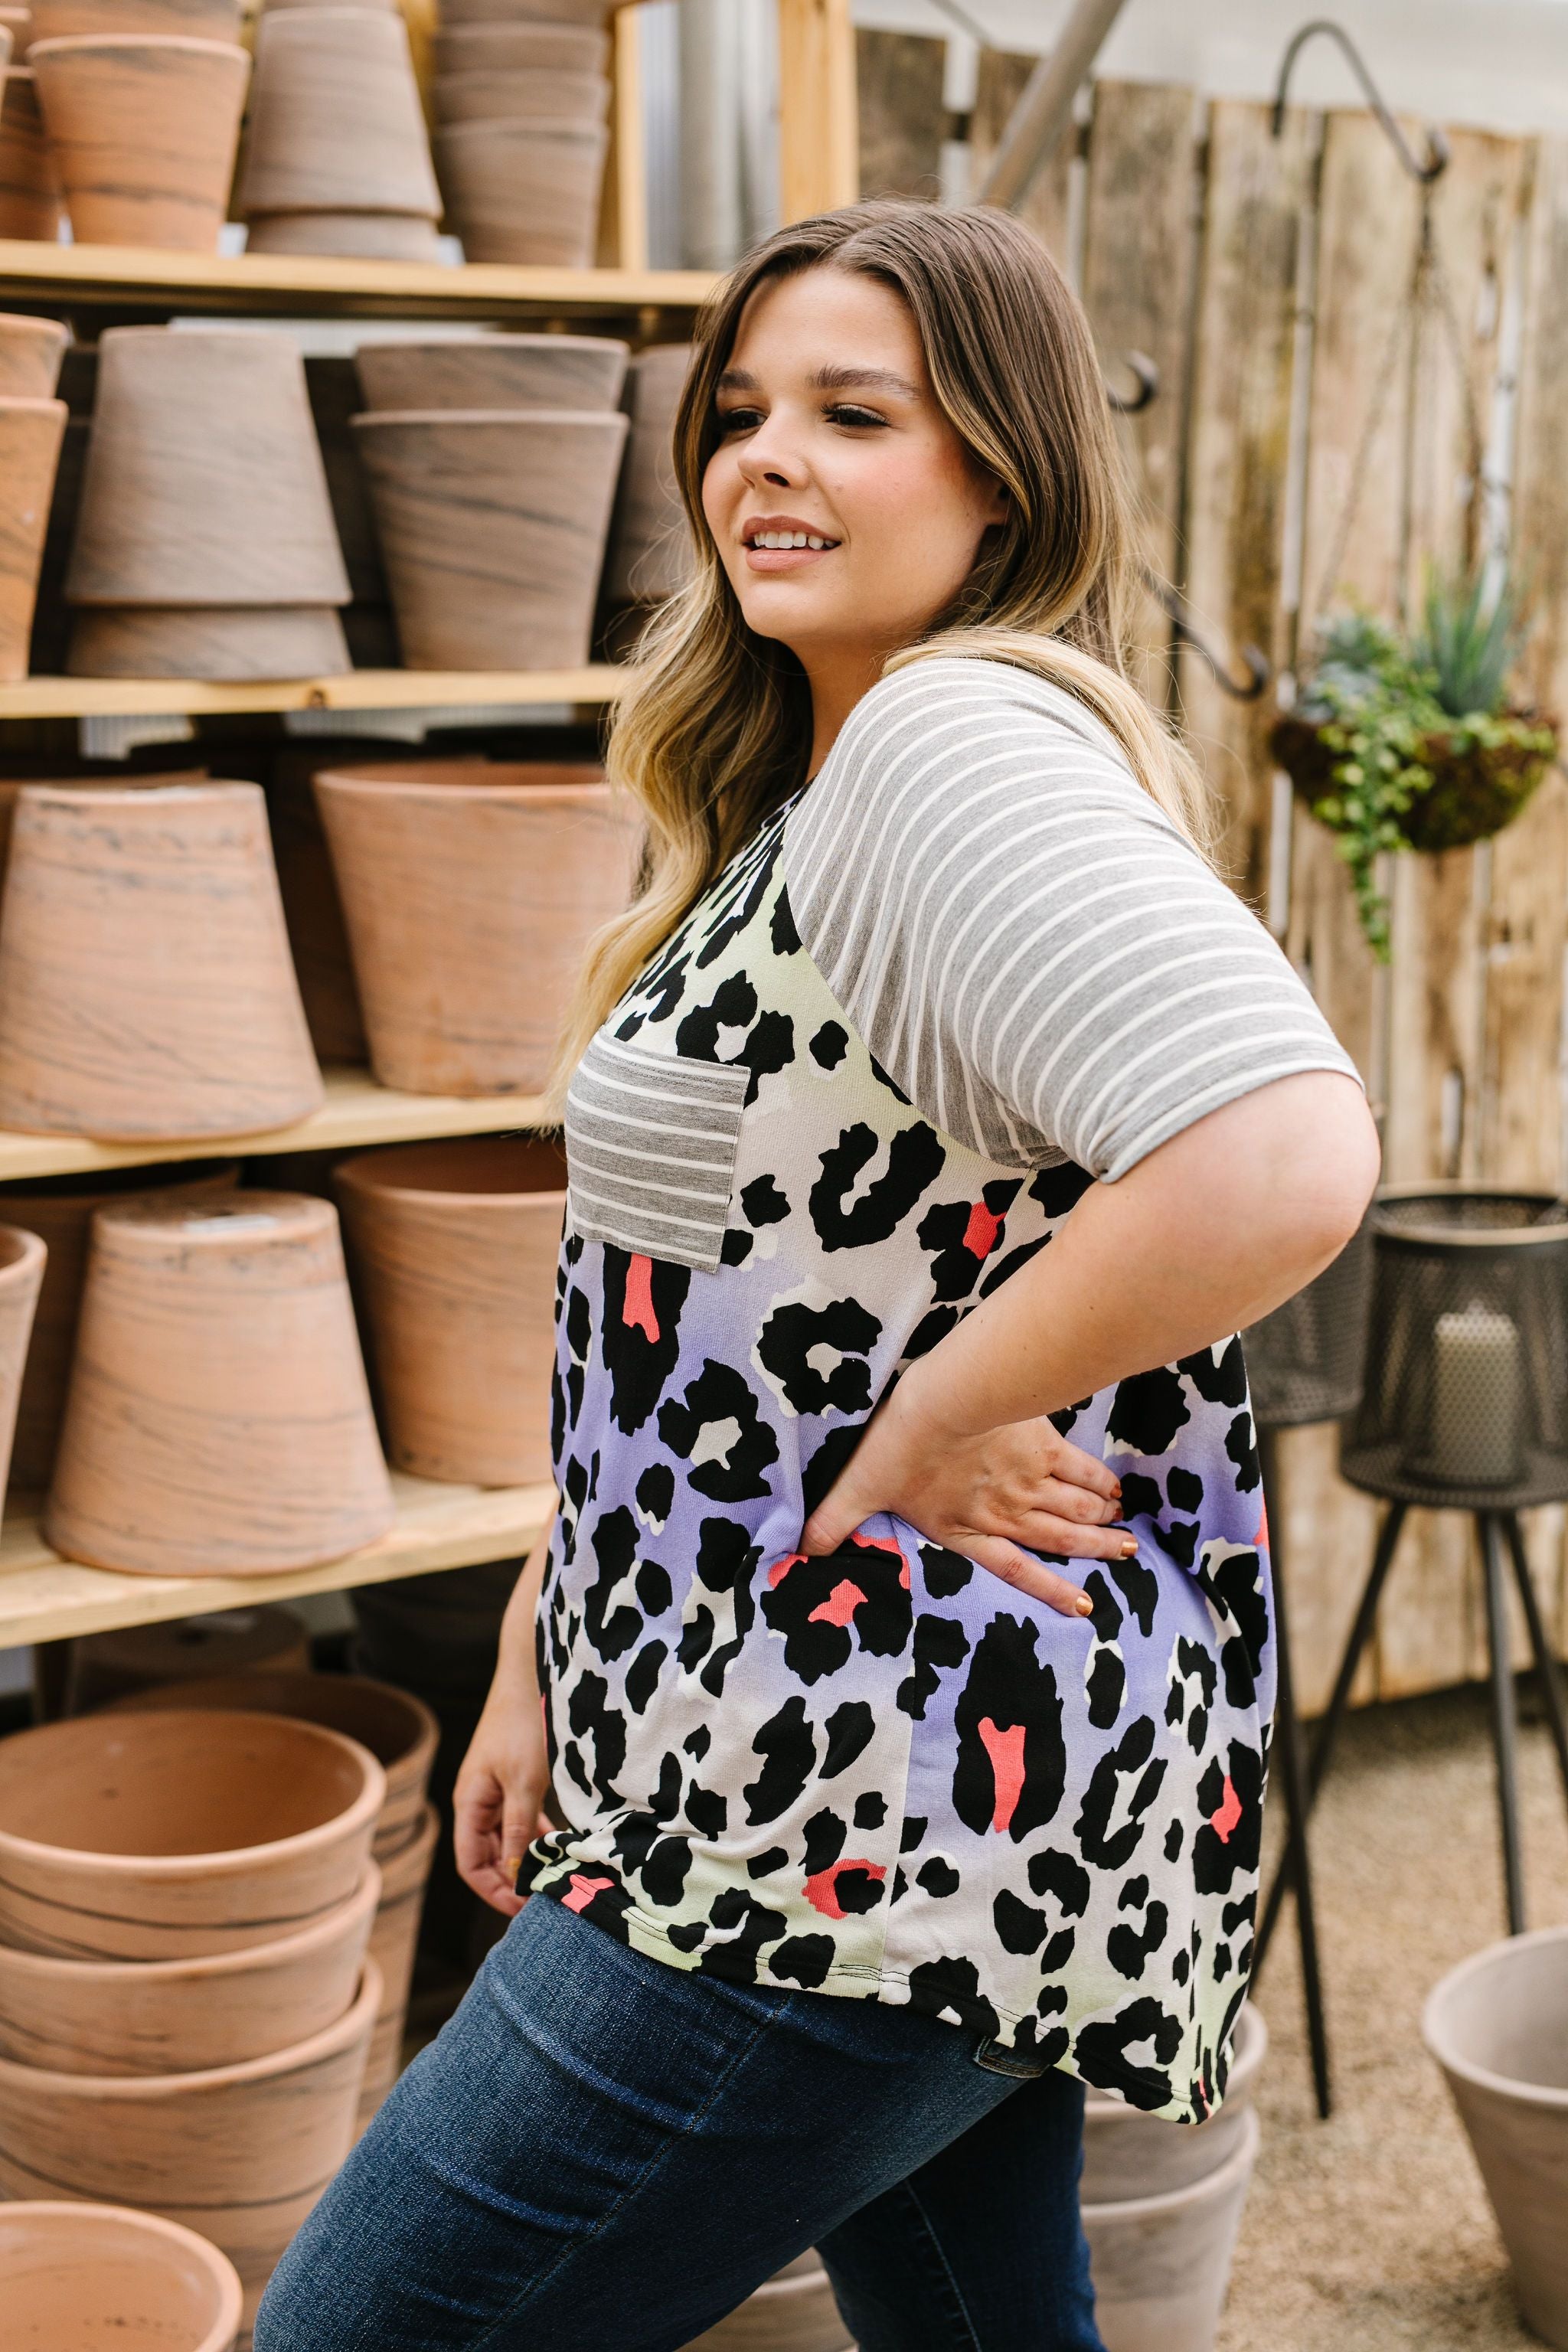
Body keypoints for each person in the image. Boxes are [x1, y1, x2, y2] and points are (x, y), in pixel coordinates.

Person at [256, 201, 1378, 2352]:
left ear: (1005, 480)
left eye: (856, 415)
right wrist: (539, 1645)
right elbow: (698, 1316)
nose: (765, 459)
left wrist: (951, 1403)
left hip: (844, 1824)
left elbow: (1285, 1147)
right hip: (852, 1775)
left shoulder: (948, 753)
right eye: (741, 412)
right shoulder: (820, 780)